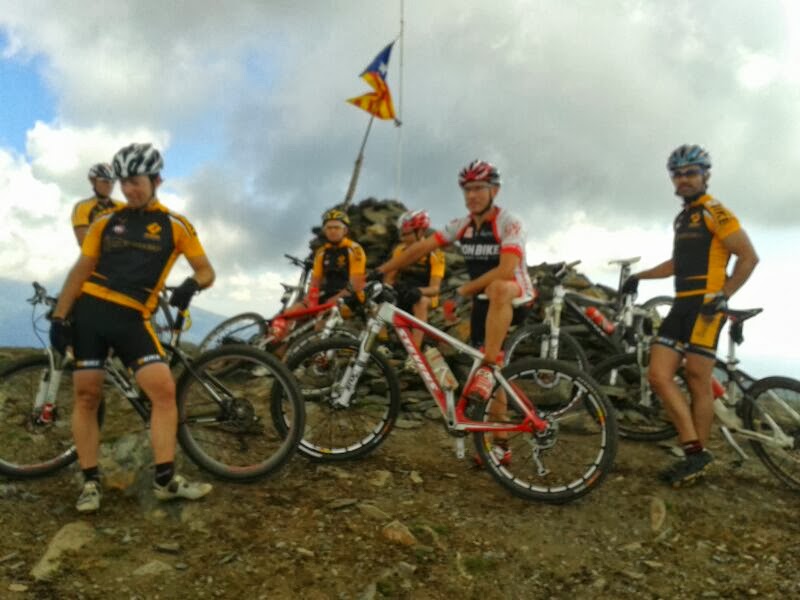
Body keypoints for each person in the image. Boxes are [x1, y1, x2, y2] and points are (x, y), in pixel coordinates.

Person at [49, 143, 216, 512]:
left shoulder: (176, 225)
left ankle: (165, 480)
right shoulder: (105, 222)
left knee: (163, 392)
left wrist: (192, 284)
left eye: (136, 182)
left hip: (132, 318)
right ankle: (90, 483)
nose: (128, 189)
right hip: (90, 313)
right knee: (87, 396)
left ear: (157, 181)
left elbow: (206, 270)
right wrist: (60, 317)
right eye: (123, 182)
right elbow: (80, 270)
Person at [375, 160, 534, 463]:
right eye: (467, 189)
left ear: (495, 190)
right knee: (494, 371)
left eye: (479, 188)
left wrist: (462, 291)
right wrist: (381, 270)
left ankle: (488, 367)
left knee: (498, 292)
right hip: (483, 303)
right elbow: (420, 248)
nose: (472, 195)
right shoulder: (462, 224)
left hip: (515, 297)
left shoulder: (509, 222)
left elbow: (506, 269)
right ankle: (501, 445)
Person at [622, 144, 758, 487]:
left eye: (691, 173)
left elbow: (748, 257)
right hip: (681, 305)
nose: (683, 179)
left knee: (698, 379)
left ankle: (697, 455)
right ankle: (695, 451)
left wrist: (724, 295)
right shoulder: (683, 218)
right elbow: (676, 264)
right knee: (658, 375)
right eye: (678, 174)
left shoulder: (716, 212)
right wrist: (639, 277)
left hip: (706, 307)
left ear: (705, 176)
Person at [384, 209, 445, 351]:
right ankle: (383, 343)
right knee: (378, 295)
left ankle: (414, 351)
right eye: (401, 234)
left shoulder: (435, 254)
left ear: (421, 232)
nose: (403, 238)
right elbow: (389, 279)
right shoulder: (400, 250)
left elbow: (435, 289)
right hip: (404, 289)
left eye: (407, 234)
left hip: (425, 294)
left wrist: (418, 291)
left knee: (420, 302)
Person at [302, 208, 366, 308]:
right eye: (329, 228)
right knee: (291, 312)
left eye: (337, 227)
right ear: (325, 230)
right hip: (328, 294)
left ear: (345, 230)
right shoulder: (321, 252)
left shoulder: (354, 249)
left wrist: (332, 301)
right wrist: (310, 300)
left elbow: (356, 285)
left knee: (323, 314)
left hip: (350, 298)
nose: (332, 231)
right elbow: (315, 283)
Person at [71, 163, 124, 246]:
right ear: (93, 181)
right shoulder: (82, 207)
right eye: (105, 181)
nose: (109, 185)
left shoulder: (123, 206)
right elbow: (84, 241)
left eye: (113, 182)